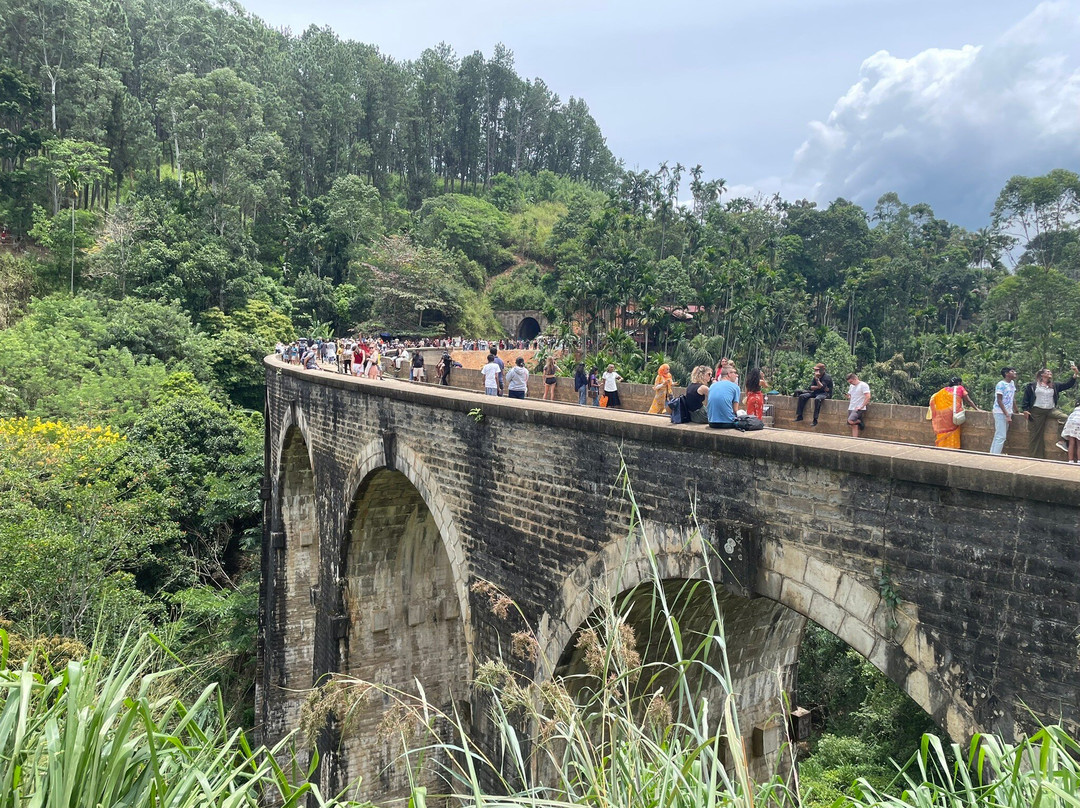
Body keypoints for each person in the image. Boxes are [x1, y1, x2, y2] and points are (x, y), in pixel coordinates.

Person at [1021, 363, 1078, 457]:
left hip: (1050, 409)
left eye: (1050, 372)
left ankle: (1061, 440)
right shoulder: (1033, 385)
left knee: (1064, 417)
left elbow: (1067, 385)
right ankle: (1036, 457)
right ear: (1042, 375)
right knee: (1036, 434)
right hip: (1037, 410)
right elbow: (1026, 397)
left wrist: (1075, 374)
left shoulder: (1054, 385)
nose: (1050, 373)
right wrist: (1025, 409)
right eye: (1047, 372)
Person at [929, 377, 979, 449]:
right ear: (959, 383)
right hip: (954, 414)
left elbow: (933, 398)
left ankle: (942, 447)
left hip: (943, 416)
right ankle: (953, 447)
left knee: (944, 433)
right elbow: (968, 401)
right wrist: (977, 409)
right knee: (953, 432)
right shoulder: (960, 388)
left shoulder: (943, 390)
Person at [990, 367, 1018, 454]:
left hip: (1008, 412)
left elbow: (1012, 398)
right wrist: (1007, 415)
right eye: (1012, 371)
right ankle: (995, 455)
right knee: (1001, 436)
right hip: (1000, 412)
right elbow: (999, 400)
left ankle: (992, 454)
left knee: (999, 435)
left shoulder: (1012, 383)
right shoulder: (1001, 384)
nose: (1015, 373)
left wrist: (1016, 410)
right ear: (1006, 374)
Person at [846, 372, 871, 437]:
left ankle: (859, 421)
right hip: (851, 406)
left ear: (855, 379)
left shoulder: (863, 385)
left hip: (858, 408)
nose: (851, 383)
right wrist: (848, 396)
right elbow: (851, 395)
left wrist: (862, 406)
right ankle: (855, 438)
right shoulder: (851, 386)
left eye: (851, 382)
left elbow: (868, 396)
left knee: (850, 420)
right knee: (853, 425)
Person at [1061, 398, 1080, 463]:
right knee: (1079, 444)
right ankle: (1079, 461)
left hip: (1070, 423)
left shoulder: (1076, 409)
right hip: (1078, 424)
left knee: (1071, 443)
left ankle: (1070, 460)